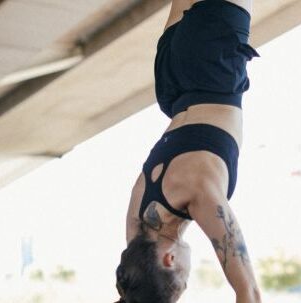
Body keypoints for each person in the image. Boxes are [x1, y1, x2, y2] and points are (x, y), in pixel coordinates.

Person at [114, 0, 261, 302]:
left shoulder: (199, 195)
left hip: (211, 61)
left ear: (170, 261)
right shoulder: (136, 224)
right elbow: (133, 287)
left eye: (183, 280)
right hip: (171, 82)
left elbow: (249, 292)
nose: (188, 272)